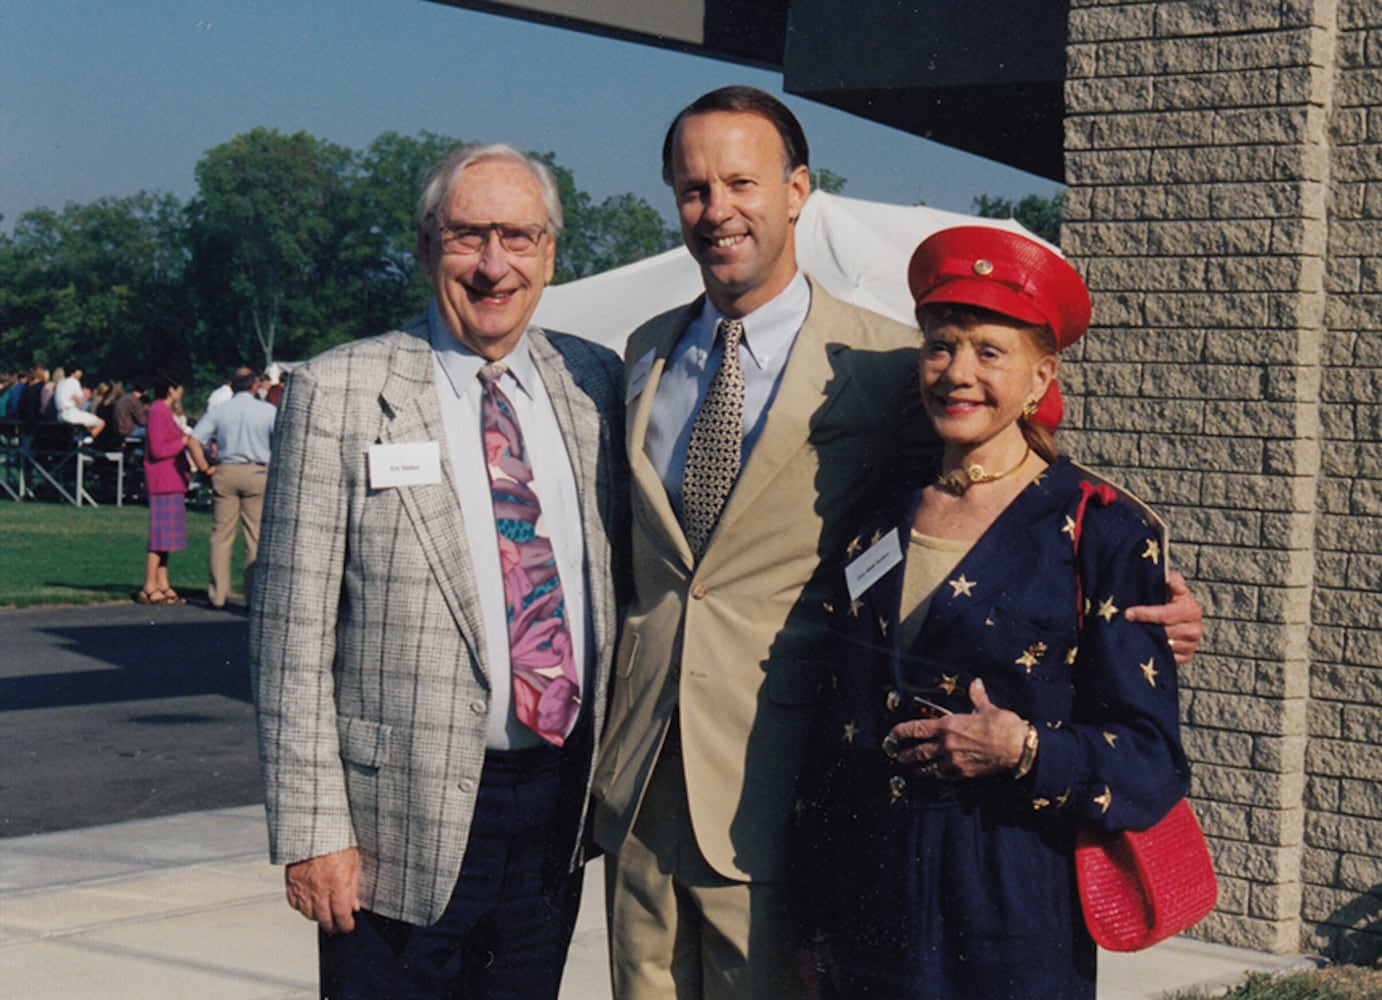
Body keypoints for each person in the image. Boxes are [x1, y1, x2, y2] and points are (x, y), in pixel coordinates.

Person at [589, 86, 1204, 1000]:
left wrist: (1155, 592)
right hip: (643, 783)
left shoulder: (879, 366)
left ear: (798, 189)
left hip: (777, 785)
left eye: (741, 183)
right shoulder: (643, 353)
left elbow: (1021, 487)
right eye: (693, 188)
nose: (716, 210)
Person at [250, 143, 628, 1000]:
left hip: (554, 809)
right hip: (394, 829)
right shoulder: (341, 391)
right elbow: (289, 638)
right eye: (467, 237)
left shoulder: (595, 383)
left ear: (550, 254)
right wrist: (314, 832)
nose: (494, 265)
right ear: (426, 249)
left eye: (518, 237)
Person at [793, 226, 1190, 999]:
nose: (957, 373)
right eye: (940, 346)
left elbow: (1152, 760)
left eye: (989, 351)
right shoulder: (878, 514)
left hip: (1013, 902)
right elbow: (832, 734)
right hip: (871, 905)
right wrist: (815, 922)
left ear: (1042, 376)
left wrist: (1025, 750)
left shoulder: (1102, 528)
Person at [191, 366, 276, 610]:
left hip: (226, 470)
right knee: (256, 537)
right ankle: (254, 595)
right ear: (254, 385)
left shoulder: (220, 410)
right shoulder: (267, 410)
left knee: (221, 536)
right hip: (257, 470)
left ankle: (217, 594)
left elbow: (194, 441)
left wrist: (205, 468)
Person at [139, 367, 208, 605]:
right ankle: (149, 584)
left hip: (172, 480)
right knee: (159, 537)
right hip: (163, 480)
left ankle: (162, 581)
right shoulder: (158, 411)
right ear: (171, 389)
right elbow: (158, 449)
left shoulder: (163, 411)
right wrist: (183, 441)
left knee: (166, 538)